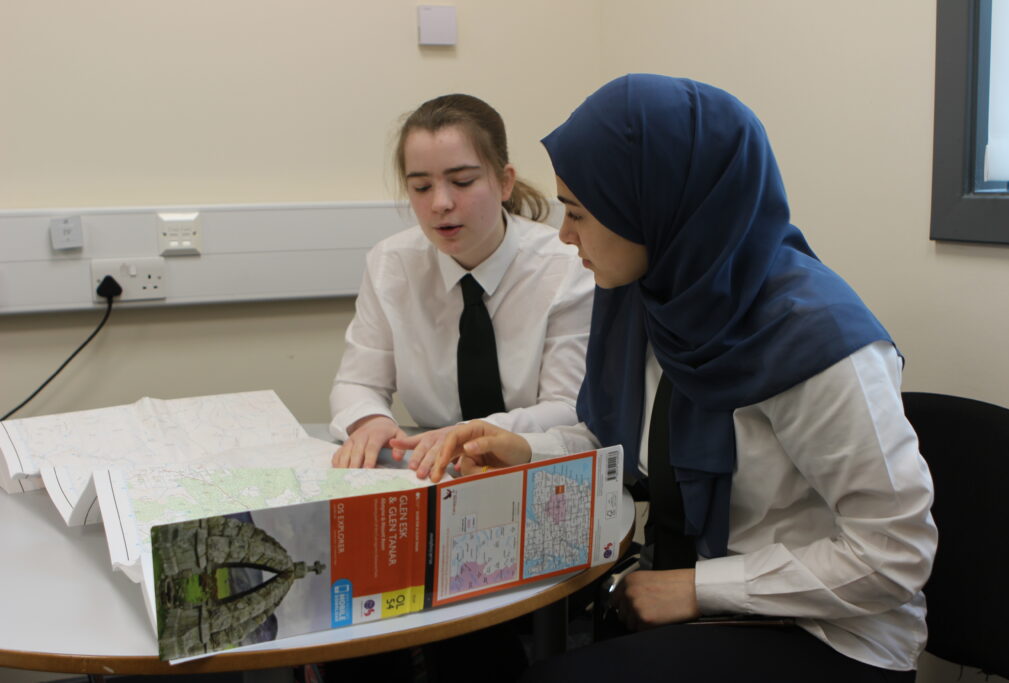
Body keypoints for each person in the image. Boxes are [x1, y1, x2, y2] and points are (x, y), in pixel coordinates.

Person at [430, 74, 937, 682]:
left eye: (579, 213)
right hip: (689, 595)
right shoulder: (652, 294)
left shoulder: (817, 340)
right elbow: (621, 441)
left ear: (656, 206)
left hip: (828, 633)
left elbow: (893, 557)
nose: (565, 237)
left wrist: (701, 588)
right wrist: (524, 449)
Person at [329, 93, 594, 476]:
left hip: (534, 470)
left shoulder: (566, 266)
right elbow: (356, 380)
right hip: (436, 472)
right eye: (421, 187)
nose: (440, 203)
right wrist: (369, 421)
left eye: (463, 181)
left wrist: (475, 435)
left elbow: (567, 406)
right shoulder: (392, 264)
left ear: (504, 182)